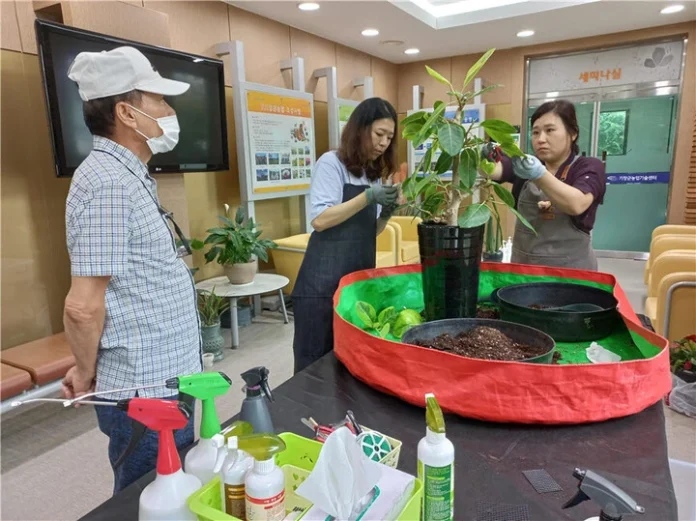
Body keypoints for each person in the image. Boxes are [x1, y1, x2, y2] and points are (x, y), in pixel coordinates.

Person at [62, 46, 202, 493]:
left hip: (165, 375)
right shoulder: (108, 184)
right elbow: (83, 307)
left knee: (175, 486)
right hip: (144, 390)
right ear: (126, 112)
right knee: (149, 495)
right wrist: (84, 374)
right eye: (158, 100)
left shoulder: (128, 176)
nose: (169, 110)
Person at [292, 98, 399, 373]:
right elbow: (320, 220)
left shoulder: (372, 174)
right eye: (379, 134)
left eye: (389, 137)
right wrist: (367, 197)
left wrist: (386, 213)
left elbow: (370, 231)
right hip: (321, 285)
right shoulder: (332, 163)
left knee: (347, 362)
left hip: (356, 283)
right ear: (360, 130)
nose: (384, 143)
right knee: (314, 362)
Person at [488, 100, 606, 270]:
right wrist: (478, 157)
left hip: (571, 273)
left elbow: (576, 203)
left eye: (550, 130)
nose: (540, 139)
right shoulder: (526, 164)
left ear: (573, 133)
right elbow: (494, 171)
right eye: (535, 132)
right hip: (524, 269)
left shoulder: (588, 166)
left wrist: (539, 174)